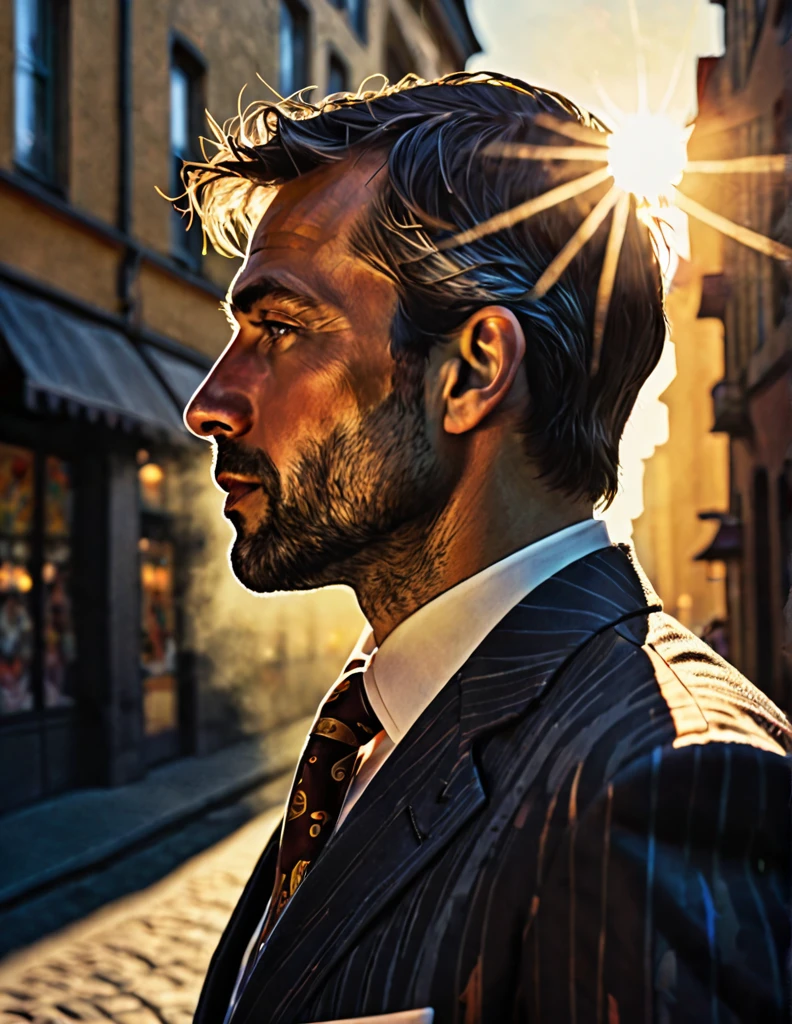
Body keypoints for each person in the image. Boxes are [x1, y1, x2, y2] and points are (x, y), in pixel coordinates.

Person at [182, 73, 791, 1024]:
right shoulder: (385, 718)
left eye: (280, 328)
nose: (209, 402)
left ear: (470, 371)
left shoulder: (652, 784)